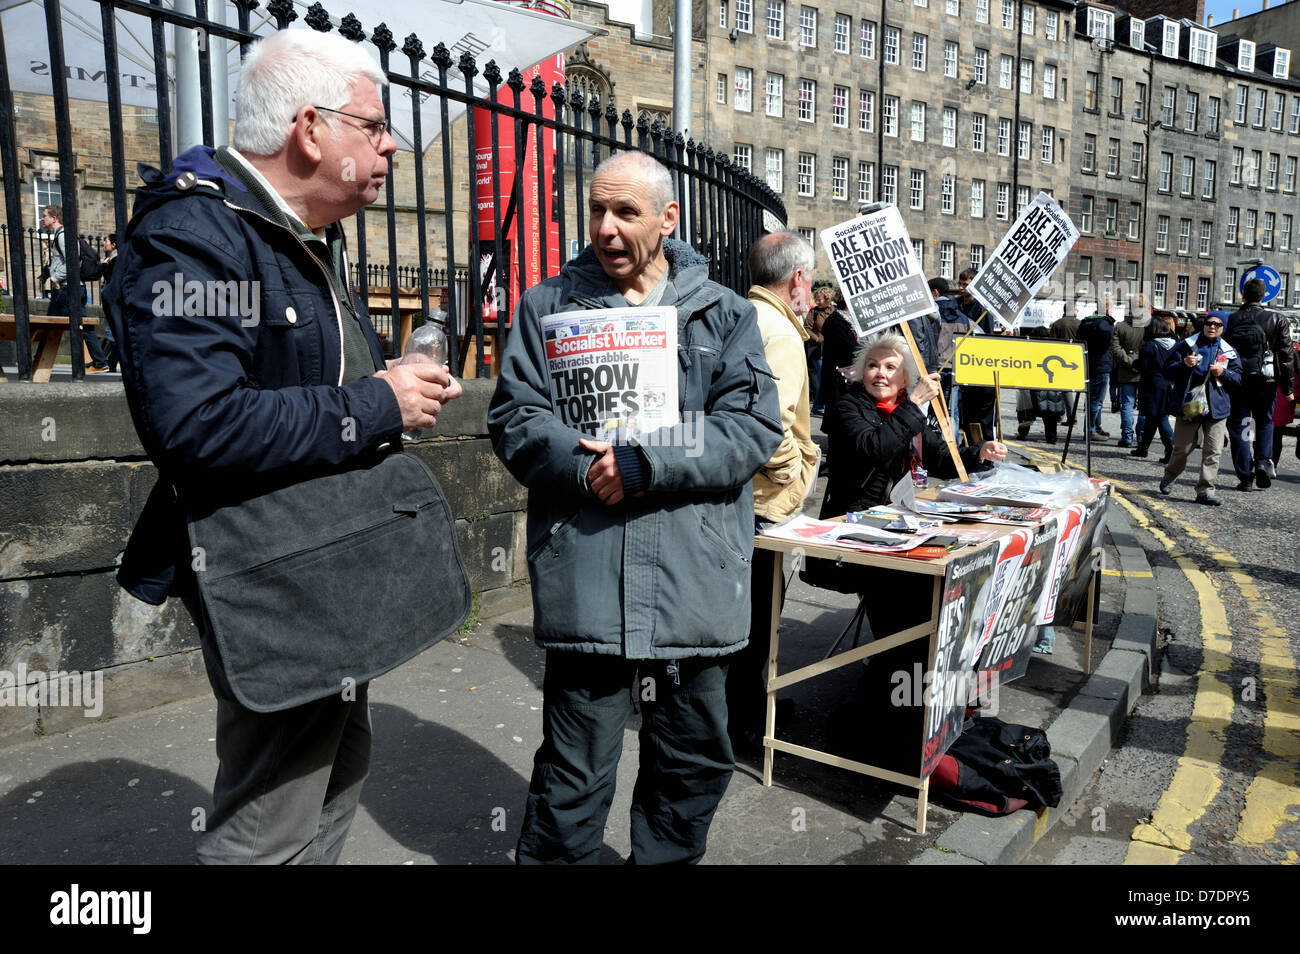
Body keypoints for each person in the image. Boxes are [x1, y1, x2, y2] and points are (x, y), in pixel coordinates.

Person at [103, 29, 461, 863]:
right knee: (269, 825)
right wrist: (377, 402)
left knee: (337, 774)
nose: (391, 145)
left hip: (324, 566)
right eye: (373, 126)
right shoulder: (200, 231)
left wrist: (390, 377)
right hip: (272, 572)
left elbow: (305, 378)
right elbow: (198, 425)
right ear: (309, 129)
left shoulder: (293, 231)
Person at [488, 150, 782, 865]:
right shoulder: (547, 305)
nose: (607, 228)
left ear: (668, 218)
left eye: (626, 212)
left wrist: (650, 460)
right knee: (572, 775)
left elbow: (752, 428)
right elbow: (516, 420)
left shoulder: (725, 314)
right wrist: (586, 470)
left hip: (695, 586)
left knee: (690, 767)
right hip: (587, 584)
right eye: (596, 211)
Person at [819, 331, 1005, 639]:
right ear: (862, 373)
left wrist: (979, 452)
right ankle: (893, 664)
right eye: (873, 366)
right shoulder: (848, 408)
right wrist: (916, 404)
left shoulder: (906, 410)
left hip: (899, 520)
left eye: (891, 367)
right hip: (854, 524)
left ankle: (912, 658)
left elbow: (942, 458)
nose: (880, 374)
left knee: (945, 573)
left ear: (905, 378)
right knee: (907, 591)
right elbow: (875, 449)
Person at [725, 231, 820, 754]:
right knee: (758, 625)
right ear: (797, 280)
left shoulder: (739, 313)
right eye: (811, 280)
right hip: (762, 501)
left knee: (740, 621)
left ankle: (738, 718)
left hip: (740, 496)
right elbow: (770, 423)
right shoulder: (781, 333)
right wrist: (790, 471)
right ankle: (745, 727)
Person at [1158, 312, 1241, 506]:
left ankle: (1205, 490)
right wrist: (1184, 364)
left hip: (1217, 408)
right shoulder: (1187, 345)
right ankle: (1170, 476)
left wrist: (1224, 373)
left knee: (1213, 451)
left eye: (1217, 325)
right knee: (1182, 448)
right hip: (1190, 405)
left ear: (1223, 328)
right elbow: (1167, 370)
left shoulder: (1229, 351)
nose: (1212, 327)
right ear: (1204, 325)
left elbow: (1238, 379)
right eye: (1209, 323)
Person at [1224, 278, 1294, 491]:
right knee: (1264, 422)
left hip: (1239, 381)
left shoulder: (1231, 320)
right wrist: (1288, 388)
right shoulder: (1277, 319)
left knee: (1241, 425)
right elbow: (1286, 356)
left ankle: (1245, 477)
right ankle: (1263, 461)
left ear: (1243, 295)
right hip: (1266, 380)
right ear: (1264, 296)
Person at [42, 205, 110, 372]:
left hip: (67, 289)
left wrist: (55, 278)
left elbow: (73, 261)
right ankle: (100, 362)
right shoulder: (61, 235)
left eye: (44, 216)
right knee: (84, 326)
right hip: (73, 288)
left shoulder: (63, 236)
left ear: (54, 218)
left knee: (50, 325)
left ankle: (39, 365)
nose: (42, 219)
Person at [1130, 315, 1177, 463]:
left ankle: (1171, 450)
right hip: (1169, 385)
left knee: (1160, 418)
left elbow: (1142, 367)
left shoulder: (1149, 346)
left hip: (1152, 386)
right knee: (1152, 418)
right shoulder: (1175, 344)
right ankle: (1143, 448)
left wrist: (1135, 361)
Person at [955, 268, 995, 441]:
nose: (961, 288)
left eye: (965, 284)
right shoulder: (956, 304)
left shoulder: (983, 309)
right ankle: (971, 450)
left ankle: (986, 453)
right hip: (961, 365)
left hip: (979, 367)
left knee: (983, 419)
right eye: (960, 284)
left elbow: (986, 339)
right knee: (967, 416)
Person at [818, 284, 859, 434]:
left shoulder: (852, 320)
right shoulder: (836, 321)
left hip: (850, 379)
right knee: (839, 424)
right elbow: (847, 351)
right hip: (839, 380)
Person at [1108, 302, 1149, 447]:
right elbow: (1150, 347)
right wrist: (1140, 363)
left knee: (1127, 404)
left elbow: (1115, 349)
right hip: (1144, 372)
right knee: (1143, 406)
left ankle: (1126, 436)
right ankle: (1141, 436)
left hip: (1126, 371)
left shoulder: (1120, 326)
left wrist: (1130, 363)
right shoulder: (1147, 327)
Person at [1078, 300, 1117, 440]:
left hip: (1088, 364)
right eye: (1112, 307)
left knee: (1091, 398)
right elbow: (1106, 345)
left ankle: (1096, 427)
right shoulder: (1106, 324)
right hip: (1101, 365)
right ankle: (1090, 431)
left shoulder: (1085, 322)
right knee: (1097, 401)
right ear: (1107, 308)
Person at [97, 234, 120, 373]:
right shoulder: (112, 259)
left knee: (111, 332)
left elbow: (111, 279)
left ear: (113, 245)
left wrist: (104, 266)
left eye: (106, 241)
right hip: (112, 301)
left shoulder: (116, 260)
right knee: (115, 333)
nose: (104, 243)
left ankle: (101, 361)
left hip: (114, 301)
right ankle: (109, 363)